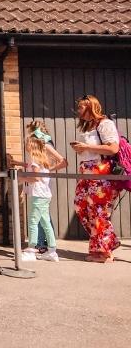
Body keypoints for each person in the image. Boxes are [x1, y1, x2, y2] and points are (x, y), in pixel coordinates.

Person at [70, 94, 121, 263]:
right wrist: (82, 149)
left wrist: (87, 146)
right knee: (81, 206)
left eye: (81, 107)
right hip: (86, 170)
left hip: (101, 171)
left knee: (99, 211)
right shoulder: (87, 127)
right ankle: (109, 241)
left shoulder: (105, 124)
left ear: (91, 107)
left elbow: (113, 148)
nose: (79, 110)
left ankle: (103, 252)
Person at [17, 121, 67, 254]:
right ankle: (52, 249)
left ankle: (33, 247)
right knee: (45, 222)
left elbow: (36, 177)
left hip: (38, 194)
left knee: (33, 221)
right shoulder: (41, 159)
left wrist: (22, 179)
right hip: (45, 194)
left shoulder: (37, 158)